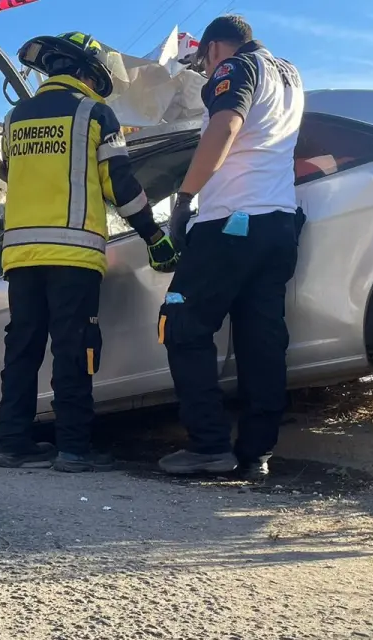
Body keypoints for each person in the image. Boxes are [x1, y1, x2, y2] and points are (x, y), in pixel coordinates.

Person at [0, 31, 179, 473]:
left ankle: (13, 443)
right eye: (97, 79)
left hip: (20, 256)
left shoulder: (14, 117)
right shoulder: (94, 114)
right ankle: (74, 448)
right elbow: (120, 185)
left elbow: (7, 172)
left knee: (22, 348)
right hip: (73, 255)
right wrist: (153, 235)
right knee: (74, 349)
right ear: (83, 72)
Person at [157, 15, 305, 479]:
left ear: (215, 49)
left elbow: (224, 128)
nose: (206, 68)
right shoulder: (291, 75)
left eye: (204, 60)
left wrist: (183, 201)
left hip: (231, 221)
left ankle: (208, 447)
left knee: (181, 324)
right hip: (279, 222)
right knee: (262, 340)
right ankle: (256, 453)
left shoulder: (235, 69)